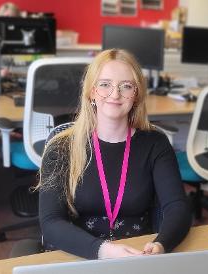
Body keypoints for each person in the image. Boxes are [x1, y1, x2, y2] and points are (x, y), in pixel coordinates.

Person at [38, 49, 192, 260]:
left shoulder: (155, 144)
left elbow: (177, 207)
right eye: (105, 84)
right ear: (91, 91)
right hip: (79, 256)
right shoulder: (61, 147)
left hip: (138, 256)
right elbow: (51, 222)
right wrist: (104, 250)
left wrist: (161, 245)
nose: (115, 94)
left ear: (136, 94)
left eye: (126, 86)